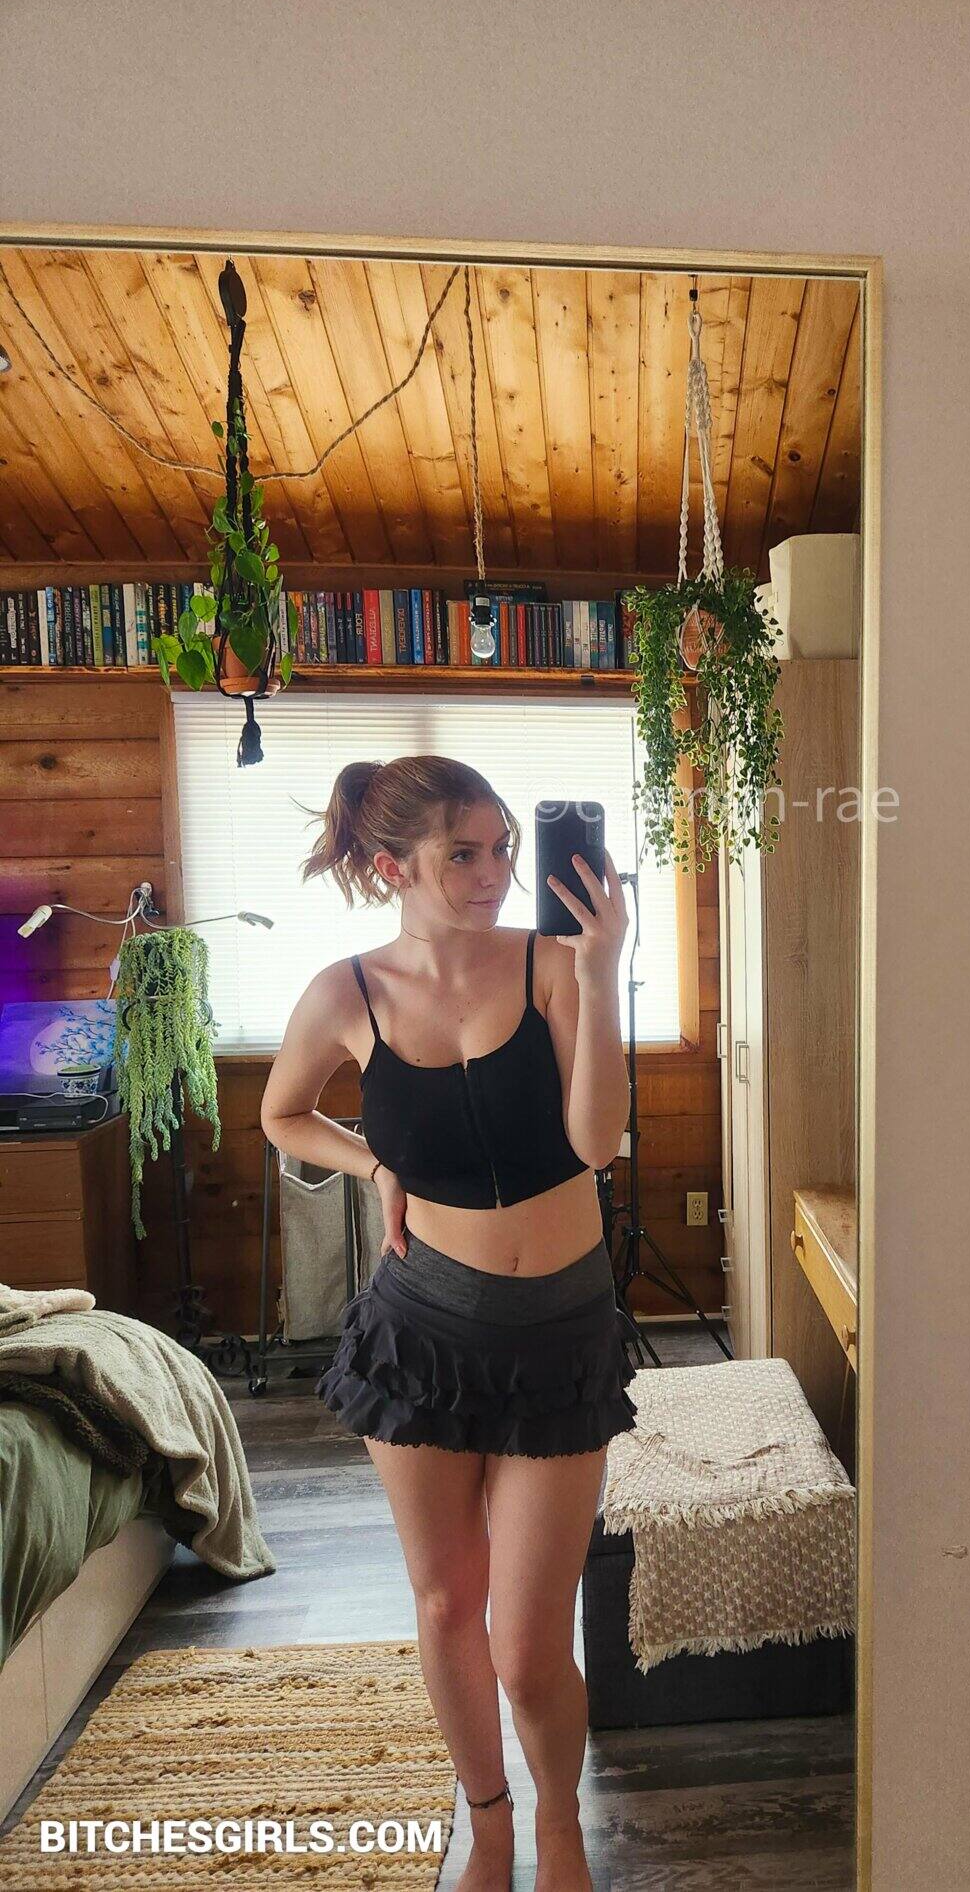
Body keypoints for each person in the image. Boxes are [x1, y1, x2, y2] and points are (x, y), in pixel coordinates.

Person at [259, 754, 635, 1892]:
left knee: (527, 1645)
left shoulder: (554, 964)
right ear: (391, 866)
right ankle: (490, 1825)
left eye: (502, 847)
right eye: (462, 853)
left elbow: (596, 1143)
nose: (493, 872)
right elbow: (283, 1113)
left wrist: (604, 971)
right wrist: (373, 1162)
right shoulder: (346, 993)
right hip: (422, 1331)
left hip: (559, 1336)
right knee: (444, 1602)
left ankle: (560, 1824)